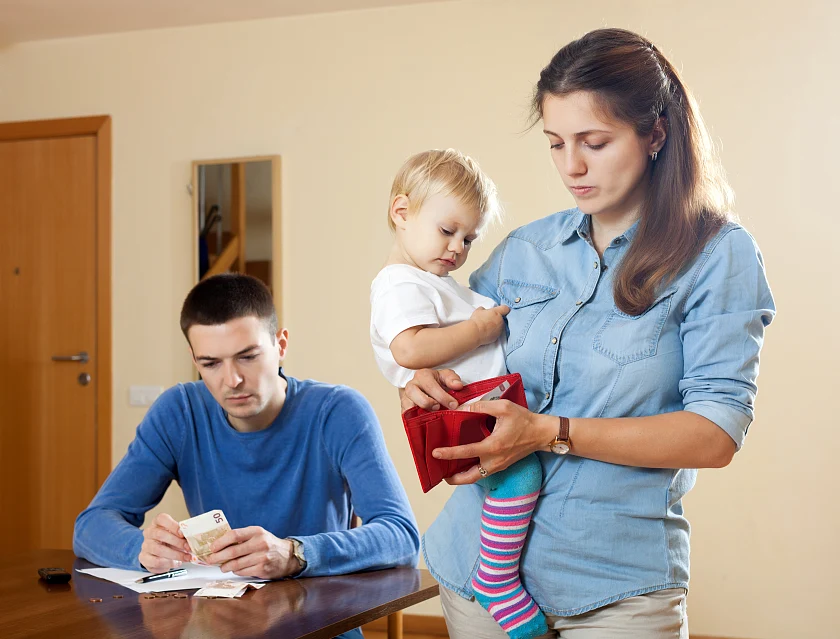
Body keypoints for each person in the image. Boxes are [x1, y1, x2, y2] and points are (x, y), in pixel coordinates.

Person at [402, 28, 776, 639]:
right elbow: (454, 354)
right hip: (475, 575)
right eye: (555, 144)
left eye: (594, 142)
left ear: (655, 133)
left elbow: (715, 434)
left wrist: (550, 433)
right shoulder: (526, 249)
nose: (571, 166)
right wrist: (420, 383)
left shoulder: (717, 256)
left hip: (615, 588)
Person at [74, 273, 420, 639]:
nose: (232, 380)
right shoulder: (179, 411)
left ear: (280, 344)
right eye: (210, 364)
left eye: (248, 356)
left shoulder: (338, 412)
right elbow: (91, 525)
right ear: (194, 358)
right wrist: (141, 550)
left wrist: (295, 554)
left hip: (322, 625)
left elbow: (401, 536)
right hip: (216, 626)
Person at [370, 149, 547, 639]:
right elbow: (409, 347)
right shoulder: (397, 283)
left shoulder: (430, 280)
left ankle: (496, 574)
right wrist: (479, 330)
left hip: (478, 401)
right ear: (401, 213)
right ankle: (495, 576)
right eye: (447, 230)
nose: (457, 248)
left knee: (517, 475)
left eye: (468, 238)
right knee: (522, 472)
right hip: (465, 408)